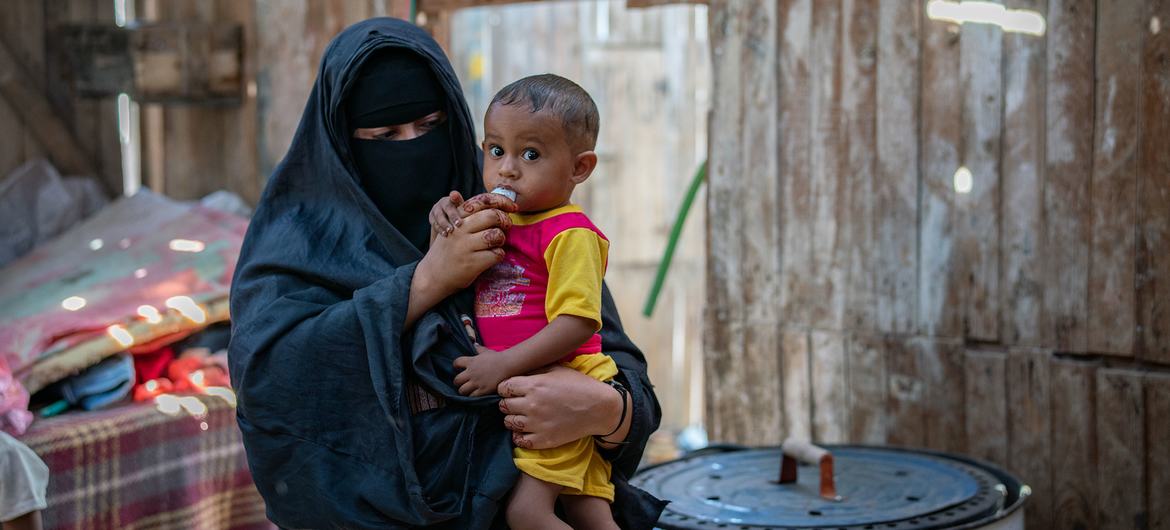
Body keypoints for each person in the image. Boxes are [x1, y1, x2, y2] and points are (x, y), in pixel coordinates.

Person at [227, 18, 665, 529]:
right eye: (385, 134)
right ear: (345, 145)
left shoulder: (516, 219)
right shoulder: (302, 238)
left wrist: (605, 414)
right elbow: (272, 380)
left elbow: (622, 372)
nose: (412, 146)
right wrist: (428, 281)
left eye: (431, 126)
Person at [430, 74, 619, 530]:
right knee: (588, 513)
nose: (507, 170)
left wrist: (503, 365)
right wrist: (446, 222)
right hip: (539, 387)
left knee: (527, 513)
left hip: (562, 385)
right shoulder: (506, 222)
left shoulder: (569, 233)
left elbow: (578, 323)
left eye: (530, 154)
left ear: (579, 168)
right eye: (496, 150)